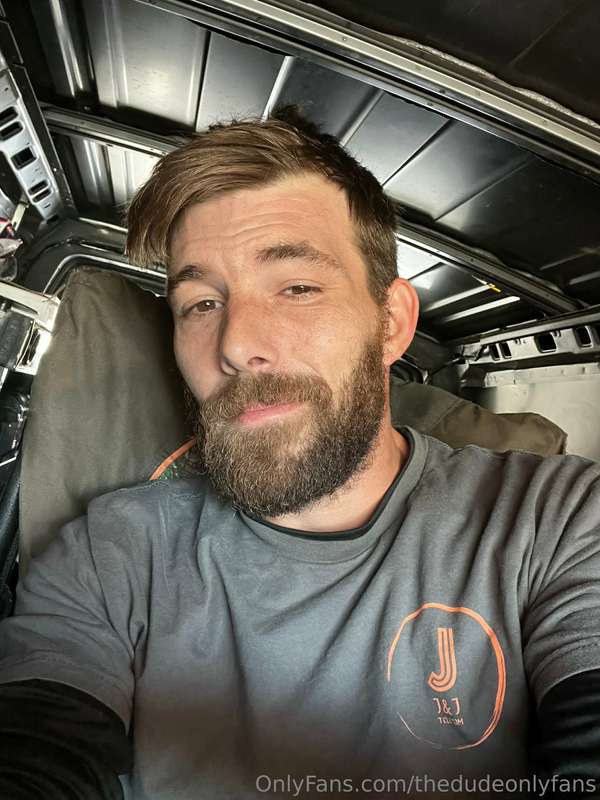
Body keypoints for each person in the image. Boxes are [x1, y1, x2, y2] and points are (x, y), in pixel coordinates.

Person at [0, 107, 599, 800]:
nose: (236, 344)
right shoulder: (110, 554)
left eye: (297, 287)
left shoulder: (556, 518)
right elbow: (39, 746)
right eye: (200, 304)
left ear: (391, 323)